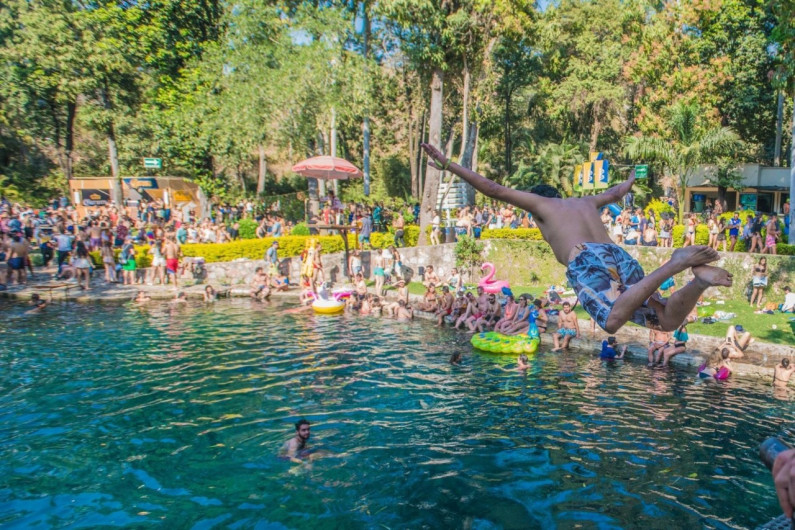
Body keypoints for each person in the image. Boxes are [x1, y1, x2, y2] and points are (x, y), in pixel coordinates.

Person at [422, 143, 732, 334]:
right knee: (665, 321)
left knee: (611, 321)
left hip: (586, 257)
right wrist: (629, 181)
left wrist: (449, 165)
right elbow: (615, 193)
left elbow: (494, 189)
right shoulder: (584, 201)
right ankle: (699, 282)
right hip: (616, 254)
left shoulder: (541, 205)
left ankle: (675, 264)